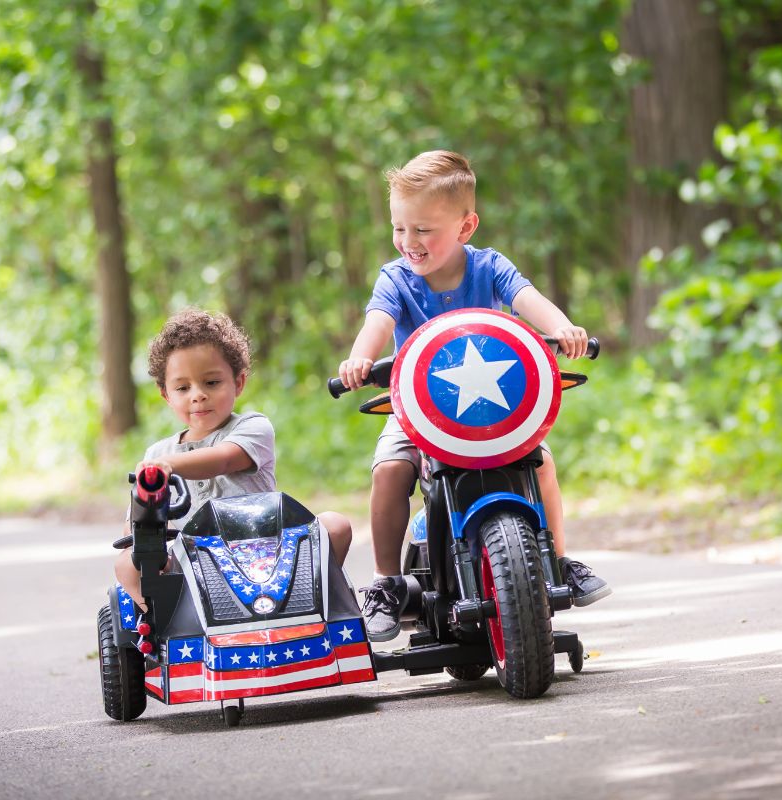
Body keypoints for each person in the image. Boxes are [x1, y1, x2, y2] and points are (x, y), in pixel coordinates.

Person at [338, 150, 610, 642]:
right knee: (390, 469)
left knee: (540, 461)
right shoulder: (395, 279)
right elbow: (376, 321)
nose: (408, 242)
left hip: (493, 408)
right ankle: (386, 582)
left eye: (423, 230)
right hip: (418, 410)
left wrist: (562, 327)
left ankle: (558, 560)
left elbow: (527, 298)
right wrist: (360, 357)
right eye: (400, 228)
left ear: (465, 228)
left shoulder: (490, 267)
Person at [115, 308, 352, 611]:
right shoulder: (156, 454)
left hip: (268, 552)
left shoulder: (253, 428)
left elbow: (225, 459)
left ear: (238, 383)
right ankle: (167, 624)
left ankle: (316, 607)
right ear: (166, 395)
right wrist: (143, 521)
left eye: (211, 383)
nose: (198, 395)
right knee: (127, 563)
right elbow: (133, 526)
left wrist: (169, 467)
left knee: (336, 525)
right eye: (183, 387)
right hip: (192, 565)